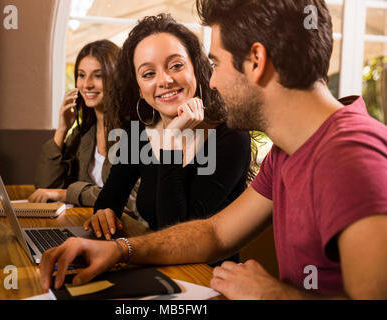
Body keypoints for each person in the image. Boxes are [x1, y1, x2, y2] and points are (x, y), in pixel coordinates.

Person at [40, 0, 387, 299]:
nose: (213, 81)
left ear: (256, 61)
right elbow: (215, 232)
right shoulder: (286, 151)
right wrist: (119, 249)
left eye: (216, 63)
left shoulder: (352, 156)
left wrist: (276, 295)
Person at [83, 14, 255, 240]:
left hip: (205, 272)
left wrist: (172, 140)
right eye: (148, 74)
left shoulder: (230, 137)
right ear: (138, 87)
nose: (164, 80)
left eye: (176, 66)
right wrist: (103, 214)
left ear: (195, 67)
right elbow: (109, 200)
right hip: (153, 264)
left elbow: (179, 237)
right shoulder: (138, 130)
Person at [28, 40, 139, 218]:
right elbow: (46, 189)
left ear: (118, 79)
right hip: (88, 225)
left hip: (129, 233)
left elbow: (131, 200)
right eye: (81, 75)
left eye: (98, 75)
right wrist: (62, 130)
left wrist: (66, 194)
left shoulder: (135, 132)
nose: (86, 84)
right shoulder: (84, 134)